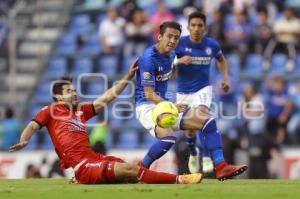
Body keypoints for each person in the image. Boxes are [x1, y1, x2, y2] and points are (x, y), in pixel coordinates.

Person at [10, 62, 202, 184]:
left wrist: (127, 78)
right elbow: (33, 125)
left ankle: (151, 180)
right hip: (83, 166)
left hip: (95, 158)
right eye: (70, 91)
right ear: (58, 96)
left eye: (75, 90)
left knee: (130, 171)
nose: (75, 93)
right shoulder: (50, 110)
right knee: (132, 170)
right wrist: (24, 139)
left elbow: (107, 98)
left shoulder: (80, 111)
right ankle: (180, 179)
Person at [135, 21, 247, 181]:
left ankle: (221, 166)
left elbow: (170, 62)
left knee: (207, 120)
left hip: (163, 105)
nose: (172, 41)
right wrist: (172, 106)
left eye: (176, 37)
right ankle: (141, 168)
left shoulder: (172, 54)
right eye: (169, 36)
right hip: (146, 107)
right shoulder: (147, 58)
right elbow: (149, 94)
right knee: (168, 137)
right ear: (159, 37)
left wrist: (180, 61)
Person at [174, 11, 230, 174]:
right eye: (193, 25)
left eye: (200, 25)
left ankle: (206, 156)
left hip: (203, 89)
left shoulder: (212, 45)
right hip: (183, 92)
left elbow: (221, 60)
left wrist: (225, 78)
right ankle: (193, 153)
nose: (197, 29)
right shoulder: (179, 44)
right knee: (190, 130)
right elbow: (165, 63)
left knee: (202, 118)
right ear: (188, 27)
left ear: (205, 28)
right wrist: (178, 61)